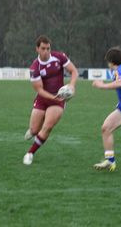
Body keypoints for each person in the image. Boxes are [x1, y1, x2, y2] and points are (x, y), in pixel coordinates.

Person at [23, 35, 78, 165]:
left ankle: (30, 153)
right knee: (35, 130)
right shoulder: (34, 68)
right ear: (37, 49)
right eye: (43, 48)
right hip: (43, 98)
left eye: (48, 48)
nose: (46, 51)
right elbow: (39, 90)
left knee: (47, 127)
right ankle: (33, 131)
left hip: (58, 100)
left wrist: (72, 85)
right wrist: (52, 96)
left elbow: (74, 71)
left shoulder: (59, 57)